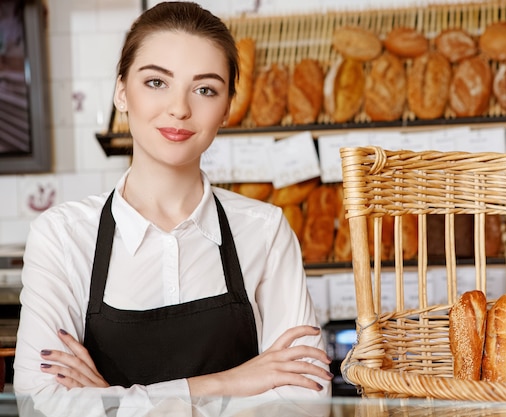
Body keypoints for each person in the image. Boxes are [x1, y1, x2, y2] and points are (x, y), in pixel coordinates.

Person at [13, 2, 332, 415]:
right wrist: (230, 383)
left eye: (205, 89)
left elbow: (305, 403)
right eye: (156, 82)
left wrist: (112, 399)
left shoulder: (264, 230)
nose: (180, 108)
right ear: (121, 92)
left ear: (227, 108)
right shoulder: (61, 235)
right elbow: (42, 405)